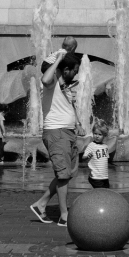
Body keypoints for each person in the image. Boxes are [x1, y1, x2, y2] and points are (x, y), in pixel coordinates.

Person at [30, 50, 81, 226]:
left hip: (68, 132)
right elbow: (44, 79)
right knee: (63, 174)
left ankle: (41, 204)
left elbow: (69, 106)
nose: (76, 74)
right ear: (66, 69)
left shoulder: (64, 85)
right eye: (75, 70)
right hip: (56, 132)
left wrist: (78, 123)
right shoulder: (51, 82)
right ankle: (64, 215)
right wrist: (59, 58)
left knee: (67, 173)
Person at [82, 121, 113, 188]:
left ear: (104, 135)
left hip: (104, 177)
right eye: (95, 133)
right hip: (95, 177)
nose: (97, 136)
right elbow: (83, 158)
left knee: (106, 192)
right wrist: (87, 156)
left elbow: (105, 161)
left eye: (100, 134)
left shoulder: (105, 147)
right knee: (100, 192)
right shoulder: (91, 145)